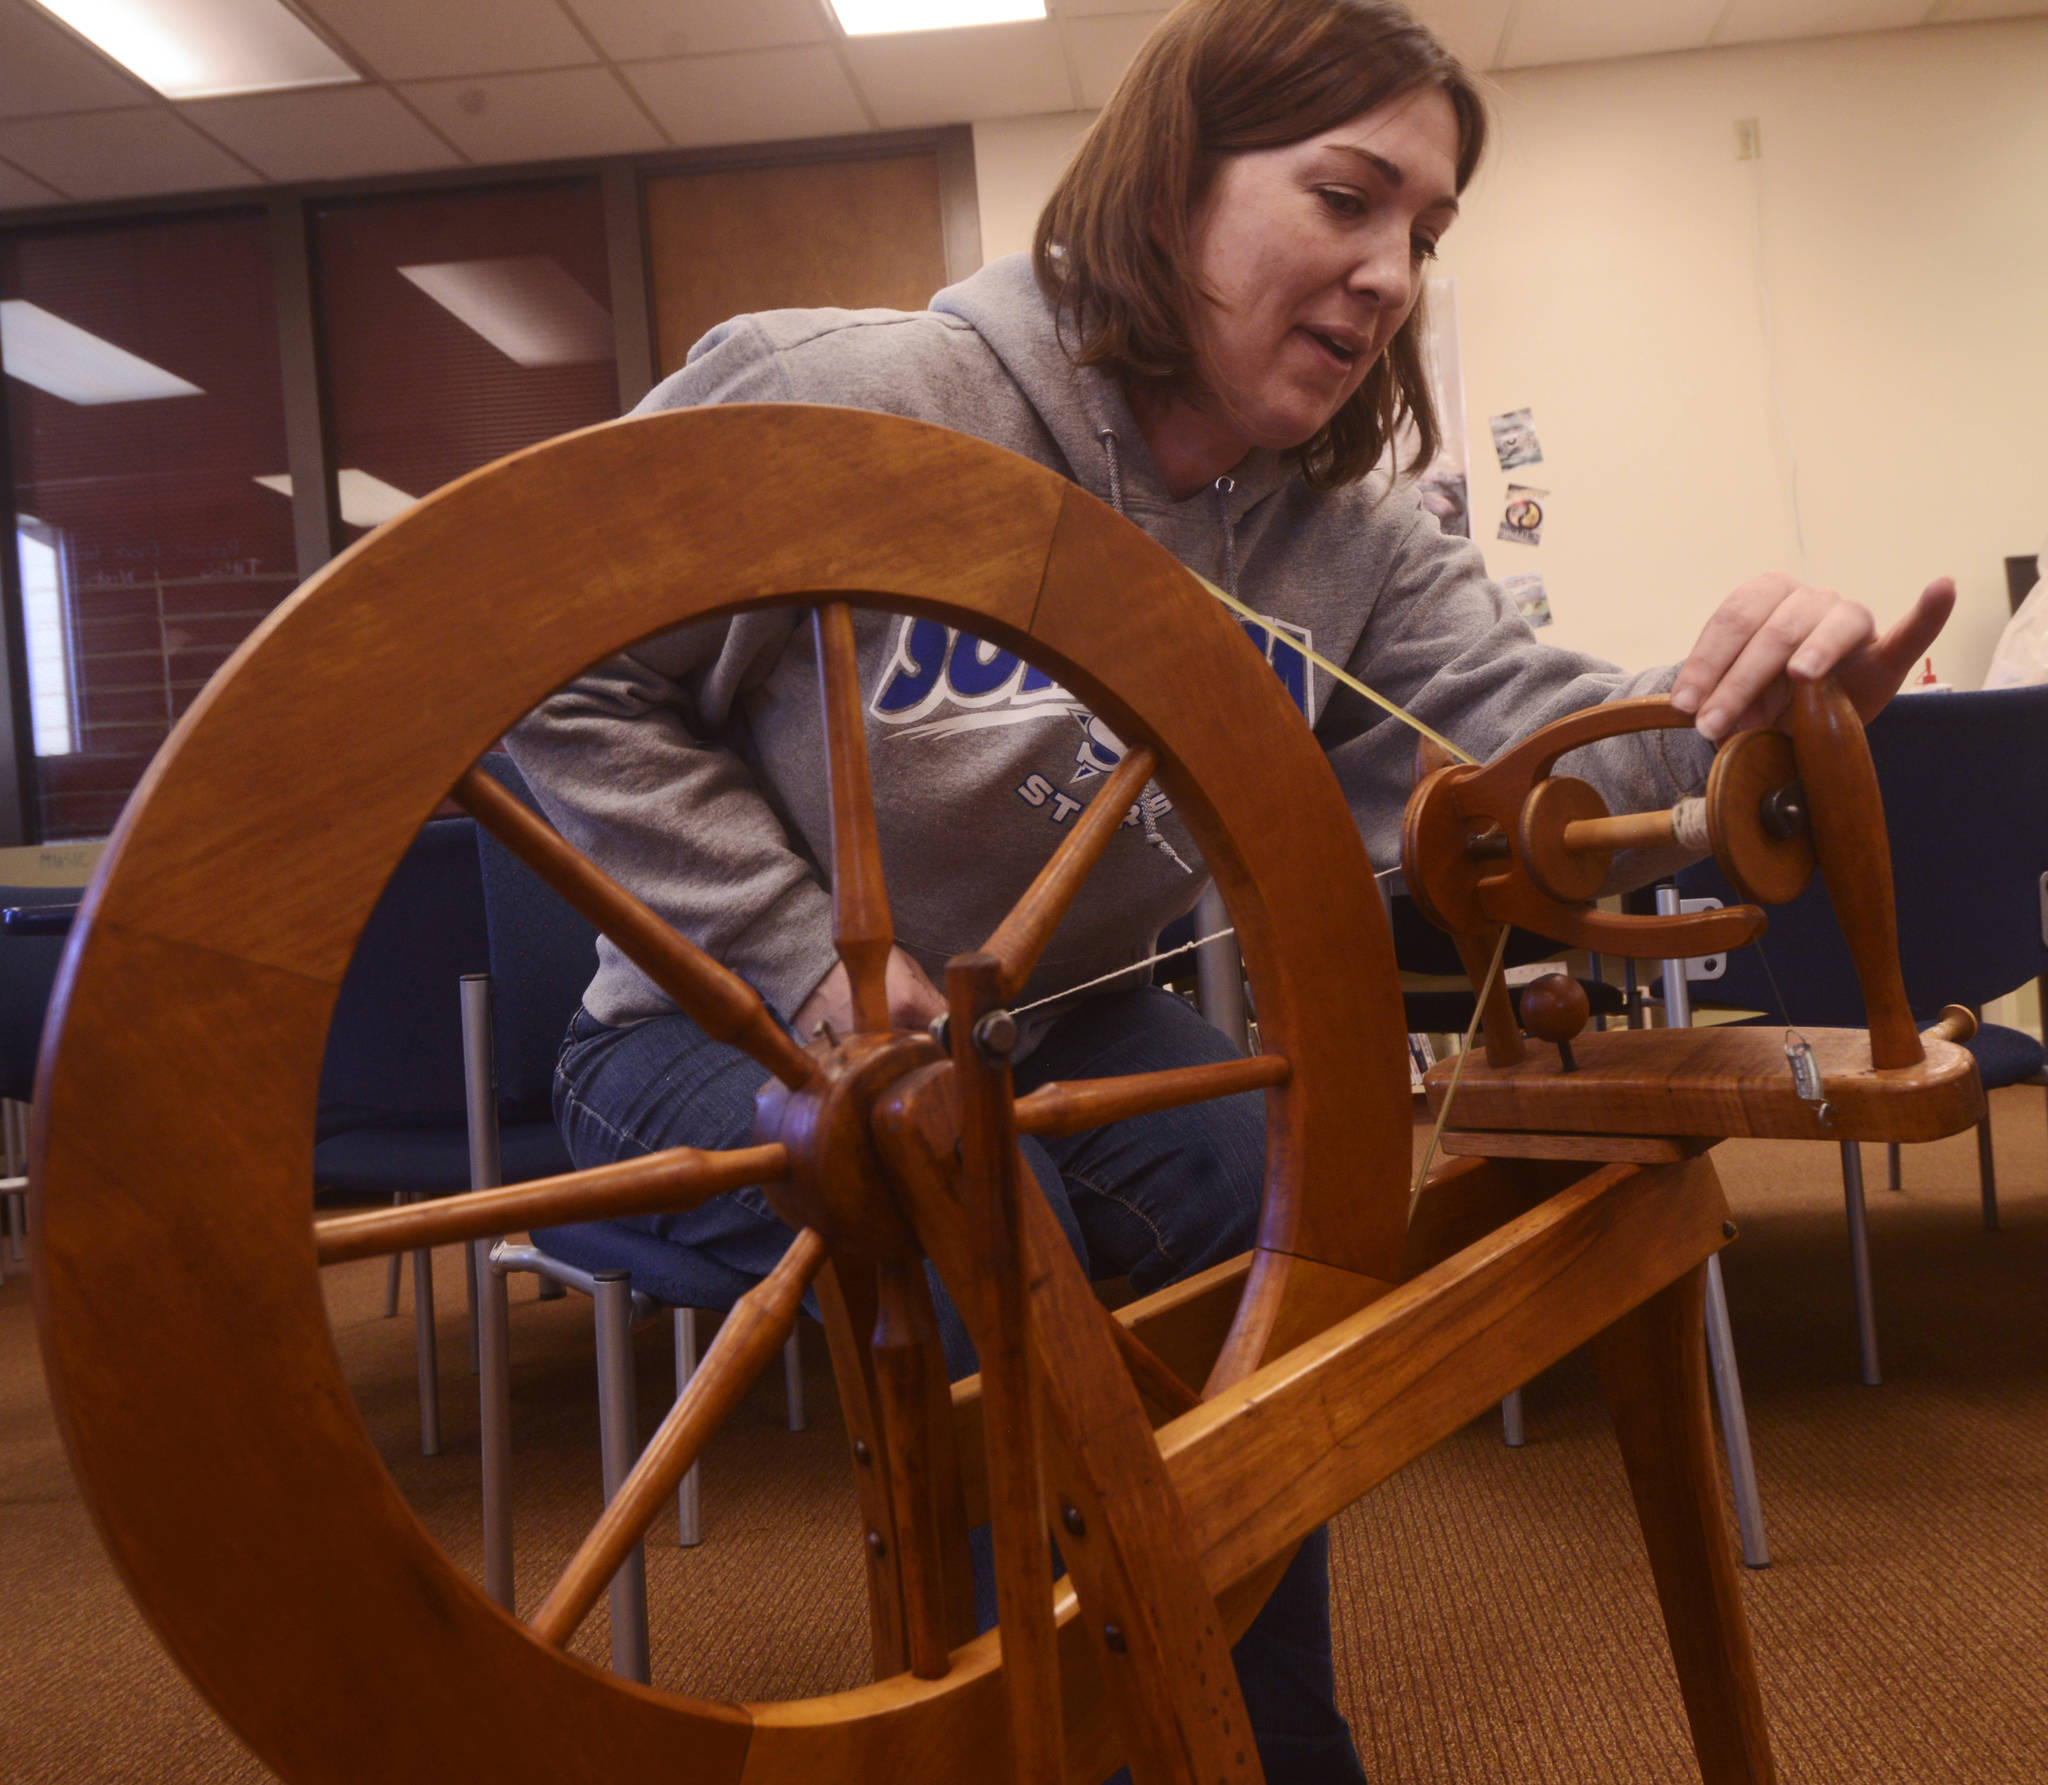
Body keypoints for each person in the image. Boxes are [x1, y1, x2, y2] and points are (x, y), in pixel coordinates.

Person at [505, 1, 1952, 1776]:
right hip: (698, 1037)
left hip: (1061, 1033)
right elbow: (539, 646)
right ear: (1167, 185)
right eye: (1345, 198)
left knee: (1260, 1207)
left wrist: (1754, 720)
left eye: (1422, 233)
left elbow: (1543, 756)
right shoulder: (850, 392)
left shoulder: (1342, 536)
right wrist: (805, 960)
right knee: (983, 1228)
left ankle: (1266, 1753)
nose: (1391, 272)